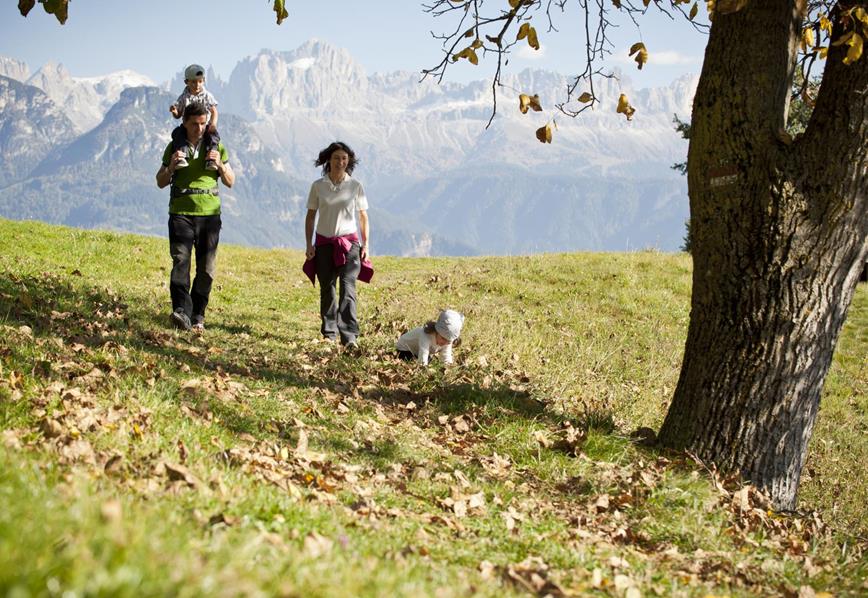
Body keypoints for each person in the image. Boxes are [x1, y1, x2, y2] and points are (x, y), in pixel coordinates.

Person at [155, 103, 235, 332]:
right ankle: (182, 311)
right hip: (181, 212)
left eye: (203, 124)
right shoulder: (174, 146)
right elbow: (160, 181)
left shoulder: (217, 146)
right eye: (194, 124)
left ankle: (198, 314)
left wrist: (219, 164)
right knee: (181, 261)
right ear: (185, 123)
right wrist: (171, 167)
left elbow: (230, 181)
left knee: (206, 268)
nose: (199, 129)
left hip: (209, 214)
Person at [303, 141, 372, 350]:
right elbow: (310, 216)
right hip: (324, 243)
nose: (340, 162)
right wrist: (309, 244)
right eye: (336, 158)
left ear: (349, 161)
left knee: (348, 288)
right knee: (328, 289)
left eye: (344, 158)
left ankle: (350, 336)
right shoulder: (318, 186)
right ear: (328, 160)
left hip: (349, 244)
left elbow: (363, 217)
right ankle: (329, 332)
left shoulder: (355, 186)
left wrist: (366, 244)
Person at [169, 64, 220, 171]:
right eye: (193, 82)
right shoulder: (183, 97)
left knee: (213, 137)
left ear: (204, 80)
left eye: (200, 81)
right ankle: (183, 157)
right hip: (188, 126)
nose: (197, 85)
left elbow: (214, 111)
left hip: (205, 125)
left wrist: (213, 124)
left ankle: (211, 159)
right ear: (186, 82)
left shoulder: (207, 96)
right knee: (178, 134)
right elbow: (178, 115)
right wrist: (174, 112)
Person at [396, 310, 464, 366]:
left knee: (430, 362)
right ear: (437, 331)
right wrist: (423, 368)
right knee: (418, 361)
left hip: (417, 351)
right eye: (443, 338)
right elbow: (423, 352)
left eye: (448, 341)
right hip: (404, 349)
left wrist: (448, 368)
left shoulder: (447, 341)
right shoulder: (425, 335)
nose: (444, 343)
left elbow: (446, 356)